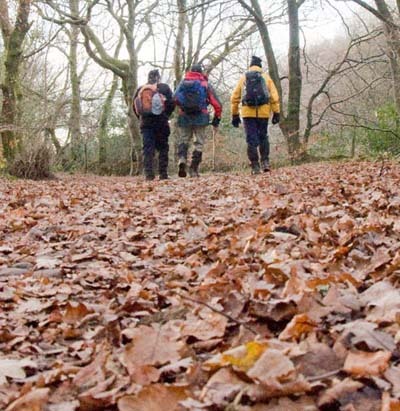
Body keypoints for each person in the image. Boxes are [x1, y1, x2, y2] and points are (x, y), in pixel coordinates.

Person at [231, 55, 280, 174]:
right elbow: (274, 96)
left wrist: (235, 114)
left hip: (247, 113)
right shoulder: (266, 77)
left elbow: (234, 97)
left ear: (250, 66)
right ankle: (265, 162)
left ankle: (255, 166)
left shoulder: (244, 78)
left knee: (251, 138)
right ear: (260, 66)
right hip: (263, 112)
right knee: (263, 136)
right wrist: (276, 112)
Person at [174, 63, 222, 177]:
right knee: (199, 143)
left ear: (190, 71)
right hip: (201, 116)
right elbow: (217, 104)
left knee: (184, 140)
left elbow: (174, 98)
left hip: (184, 116)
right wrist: (217, 117)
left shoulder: (183, 83)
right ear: (200, 72)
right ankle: (194, 169)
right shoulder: (205, 84)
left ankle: (182, 160)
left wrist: (182, 107)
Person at [133, 69, 175, 180]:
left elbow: (135, 106)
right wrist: (166, 115)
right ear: (158, 77)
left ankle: (149, 174)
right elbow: (171, 103)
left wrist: (141, 118)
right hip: (161, 122)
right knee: (163, 148)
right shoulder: (164, 88)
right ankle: (163, 174)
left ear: (148, 77)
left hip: (146, 123)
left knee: (147, 148)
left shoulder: (140, 90)